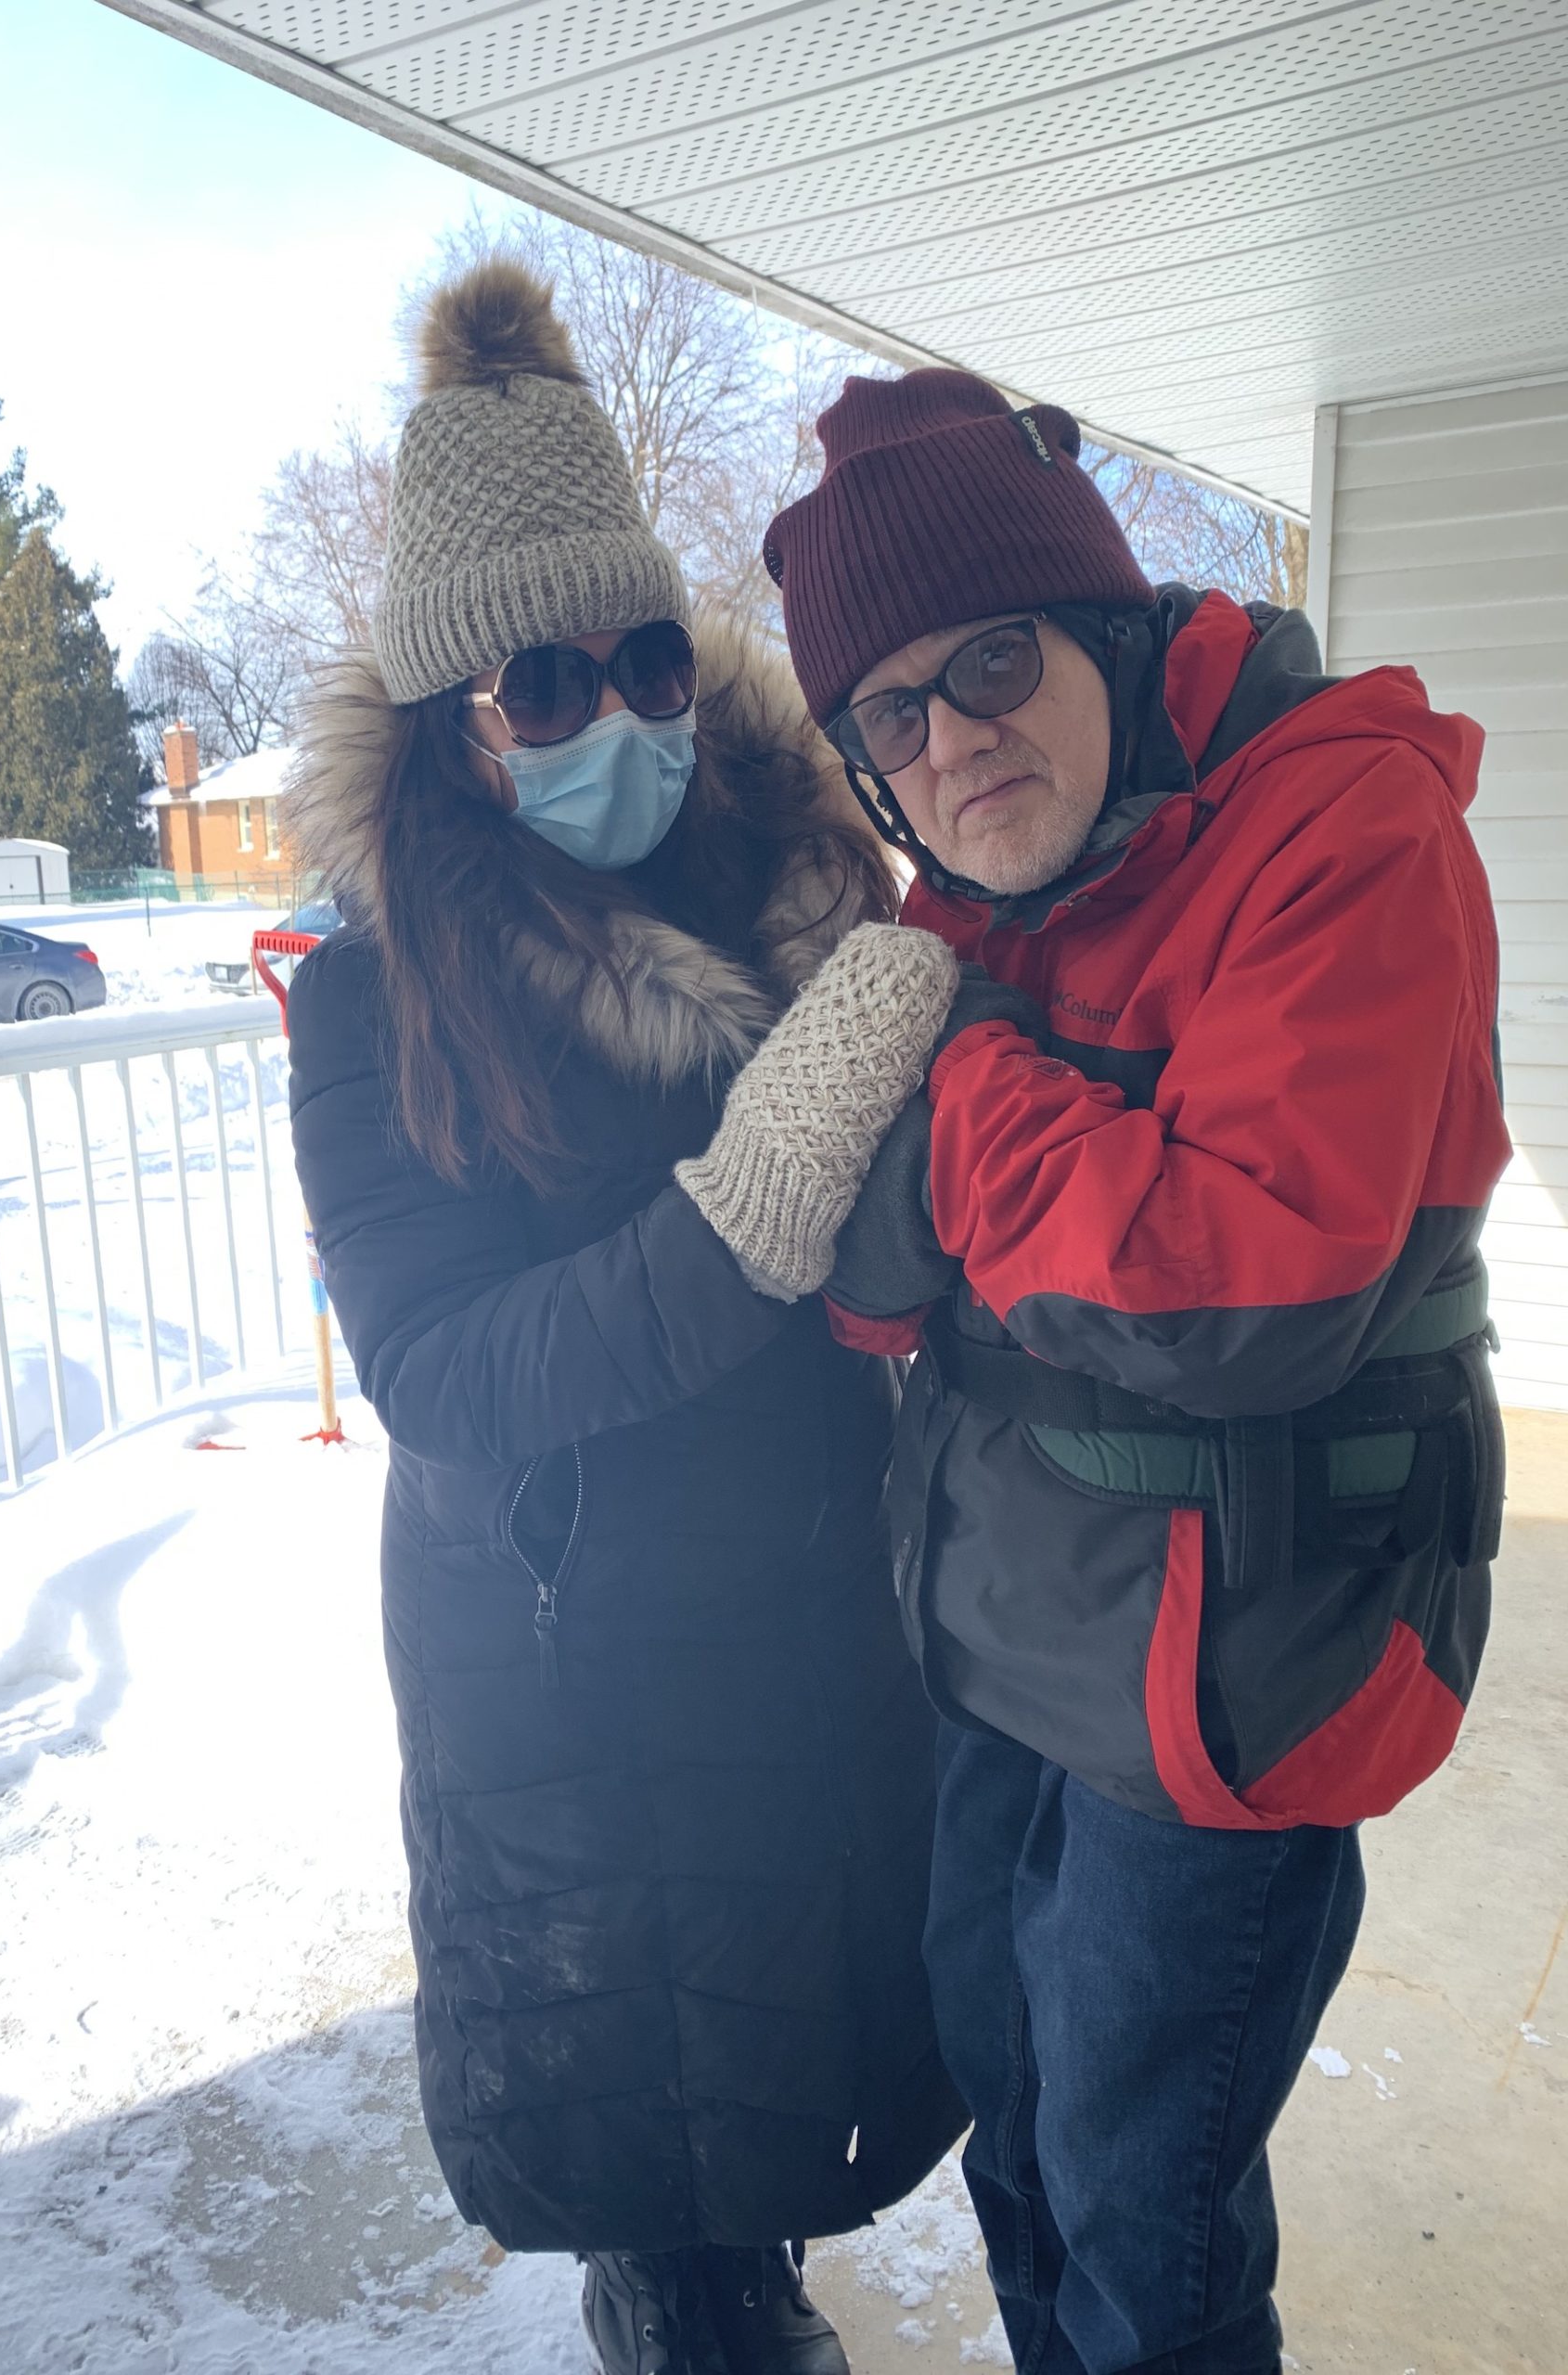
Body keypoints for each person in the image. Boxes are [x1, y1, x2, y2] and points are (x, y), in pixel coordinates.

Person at [683, 366, 1510, 2374]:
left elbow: (1234, 1289)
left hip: (1224, 1674)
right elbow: (874, 1289)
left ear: (1109, 631)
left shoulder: (1338, 829)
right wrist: (992, 1144)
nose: (958, 738)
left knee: (1146, 2208)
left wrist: (961, 1081)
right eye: (896, 712)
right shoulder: (970, 898)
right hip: (1003, 1645)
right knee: (1023, 2132)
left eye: (993, 663)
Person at [283, 262, 966, 2375]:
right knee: (661, 2144)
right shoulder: (370, 995)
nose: (615, 715)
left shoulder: (820, 866)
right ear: (454, 727)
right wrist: (749, 1205)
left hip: (816, 1598)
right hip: (569, 1649)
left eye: (644, 659)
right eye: (543, 686)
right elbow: (441, 1369)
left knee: (796, 2063)